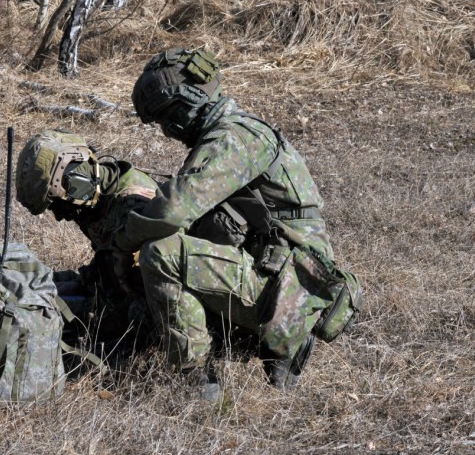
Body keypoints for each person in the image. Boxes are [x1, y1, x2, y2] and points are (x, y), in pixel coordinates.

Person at [112, 48, 361, 397]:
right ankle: (271, 343)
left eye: (168, 119)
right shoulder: (234, 134)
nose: (168, 132)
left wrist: (123, 245)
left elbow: (174, 210)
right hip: (276, 271)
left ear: (188, 103)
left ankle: (199, 386)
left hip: (289, 286)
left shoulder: (235, 138)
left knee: (162, 254)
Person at [15, 129, 159, 352]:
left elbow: (138, 302)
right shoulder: (94, 202)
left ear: (76, 180)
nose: (60, 216)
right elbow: (106, 271)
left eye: (57, 205)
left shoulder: (135, 206)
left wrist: (68, 311)